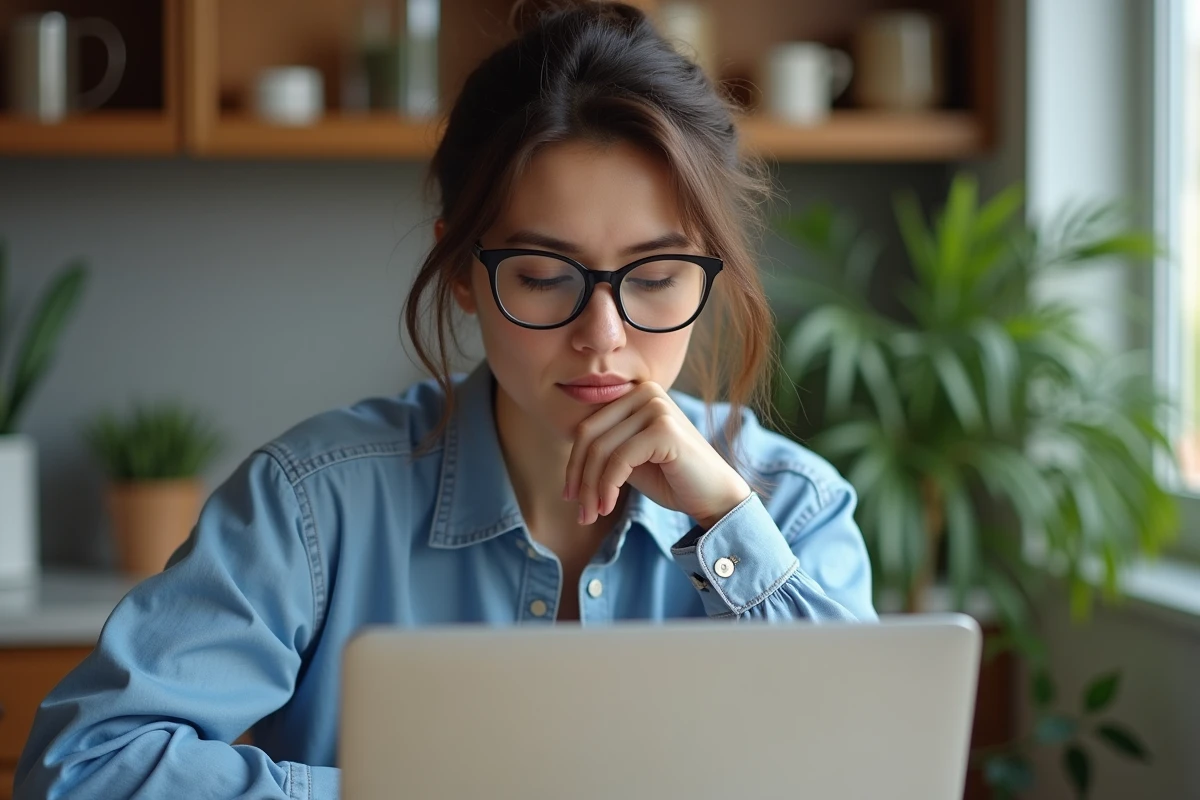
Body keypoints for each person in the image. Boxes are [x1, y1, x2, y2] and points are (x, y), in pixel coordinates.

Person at [15, 2, 876, 798]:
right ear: (462, 270)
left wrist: (727, 521)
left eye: (655, 278)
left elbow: (873, 774)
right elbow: (85, 766)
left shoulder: (792, 509)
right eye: (542, 276)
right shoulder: (317, 506)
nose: (604, 334)